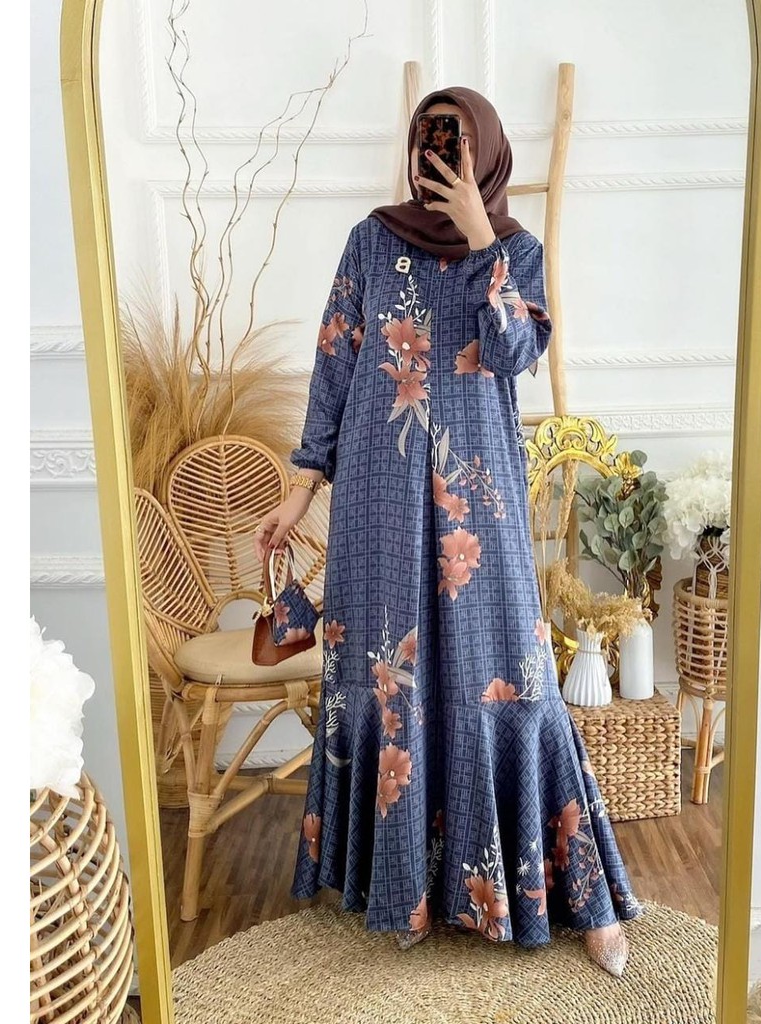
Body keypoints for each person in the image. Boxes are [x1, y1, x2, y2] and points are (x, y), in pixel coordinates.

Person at [254, 86, 640, 977]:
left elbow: (515, 354)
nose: (442, 160)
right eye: (433, 143)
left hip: (481, 504)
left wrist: (479, 237)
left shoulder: (517, 252)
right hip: (377, 503)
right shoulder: (370, 240)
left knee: (511, 678)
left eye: (458, 146)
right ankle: (404, 886)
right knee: (388, 677)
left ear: (487, 155)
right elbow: (334, 364)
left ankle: (574, 892)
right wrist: (301, 487)